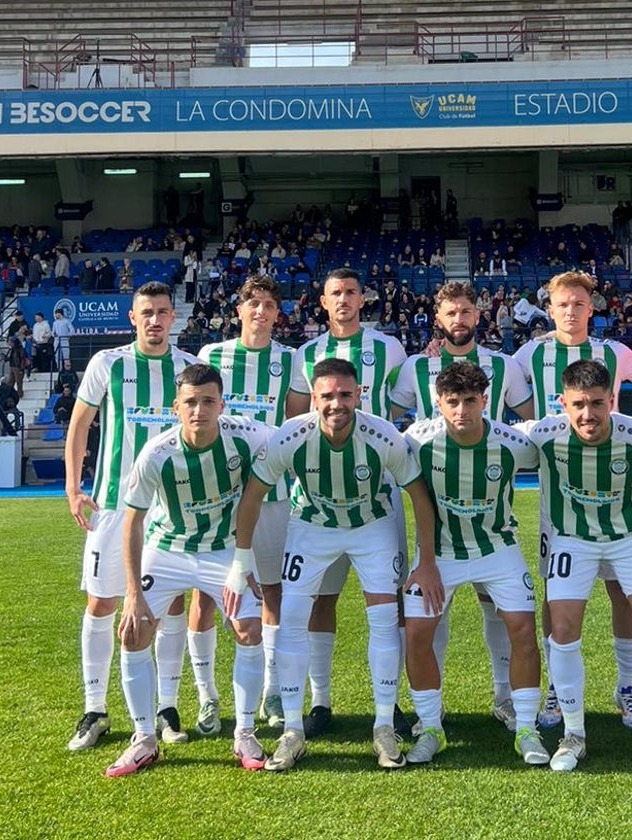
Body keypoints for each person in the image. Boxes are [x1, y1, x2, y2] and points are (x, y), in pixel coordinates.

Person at [229, 357, 437, 771]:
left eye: (345, 394)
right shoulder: (291, 436)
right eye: (327, 396)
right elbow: (251, 497)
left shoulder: (383, 435)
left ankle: (382, 724)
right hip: (312, 526)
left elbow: (418, 496)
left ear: (359, 394)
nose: (336, 404)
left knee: (382, 618)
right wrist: (240, 564)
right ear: (314, 398)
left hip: (371, 525)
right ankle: (292, 728)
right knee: (291, 620)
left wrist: (426, 560)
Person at [512, 270, 632, 732]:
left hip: (620, 487)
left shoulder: (613, 352)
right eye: (562, 305)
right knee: (554, 596)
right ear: (550, 308)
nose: (571, 312)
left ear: (590, 308)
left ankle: (625, 686)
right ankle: (558, 688)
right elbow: (494, 381)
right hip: (558, 497)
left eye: (579, 304)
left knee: (623, 590)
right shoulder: (529, 354)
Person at [104, 364, 273, 777]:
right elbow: (133, 523)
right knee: (134, 630)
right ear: (175, 406)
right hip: (169, 551)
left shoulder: (248, 439)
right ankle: (144, 739)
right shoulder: (156, 455)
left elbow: (292, 444)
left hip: (222, 551)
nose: (199, 410)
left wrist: (244, 561)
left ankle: (246, 733)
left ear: (222, 404)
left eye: (208, 401)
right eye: (191, 403)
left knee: (250, 629)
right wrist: (132, 593)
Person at [518, 360, 632, 774]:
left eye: (596, 404)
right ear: (562, 404)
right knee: (564, 626)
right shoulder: (543, 433)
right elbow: (486, 436)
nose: (587, 414)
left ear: (612, 401)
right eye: (578, 405)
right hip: (573, 539)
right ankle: (574, 734)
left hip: (630, 537)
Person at [63, 282, 202, 752]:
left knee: (171, 606)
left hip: (168, 509)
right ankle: (95, 708)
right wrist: (73, 486)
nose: (155, 320)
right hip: (111, 504)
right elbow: (80, 423)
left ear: (174, 317)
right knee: (101, 604)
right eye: (147, 312)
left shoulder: (187, 368)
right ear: (133, 317)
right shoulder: (109, 363)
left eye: (163, 312)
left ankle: (166, 707)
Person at [391, 281, 534, 730]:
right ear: (438, 317)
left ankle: (504, 697)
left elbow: (529, 421)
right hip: (436, 505)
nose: (460, 320)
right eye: (451, 313)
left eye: (467, 312)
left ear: (479, 314)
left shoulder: (504, 366)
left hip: (489, 505)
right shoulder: (415, 367)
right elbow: (397, 422)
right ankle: (430, 711)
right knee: (434, 608)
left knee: (497, 607)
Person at [401, 364, 547, 766]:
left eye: (470, 401)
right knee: (416, 632)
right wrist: (425, 561)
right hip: (440, 555)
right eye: (453, 402)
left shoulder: (514, 444)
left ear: (485, 400)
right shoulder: (417, 440)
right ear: (438, 404)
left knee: (522, 627)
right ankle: (430, 727)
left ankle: (527, 729)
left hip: (497, 547)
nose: (462, 410)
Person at [283, 268, 408, 738]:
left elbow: (404, 399)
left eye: (352, 292)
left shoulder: (389, 347)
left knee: (387, 597)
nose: (344, 300)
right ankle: (321, 700)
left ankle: (389, 703)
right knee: (321, 598)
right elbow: (295, 416)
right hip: (317, 497)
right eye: (335, 292)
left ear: (363, 298)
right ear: (323, 300)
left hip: (377, 493)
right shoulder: (306, 354)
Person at [198, 276, 300, 732]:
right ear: (238, 310)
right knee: (206, 593)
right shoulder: (211, 356)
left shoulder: (290, 361)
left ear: (279, 314)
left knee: (273, 590)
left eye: (269, 305)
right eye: (253, 303)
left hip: (274, 494)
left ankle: (272, 690)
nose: (261, 311)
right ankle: (207, 696)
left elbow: (295, 425)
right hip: (213, 495)